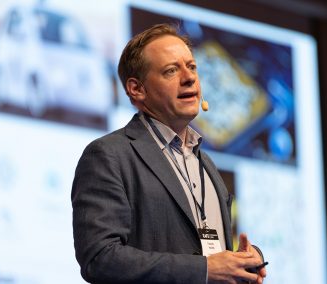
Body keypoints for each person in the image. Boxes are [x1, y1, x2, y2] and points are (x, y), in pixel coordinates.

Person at [72, 23, 267, 284]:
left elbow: (206, 253)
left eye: (192, 67)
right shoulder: (109, 155)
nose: (189, 78)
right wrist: (204, 270)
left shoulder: (205, 163)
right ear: (136, 89)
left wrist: (241, 262)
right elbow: (100, 258)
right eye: (171, 70)